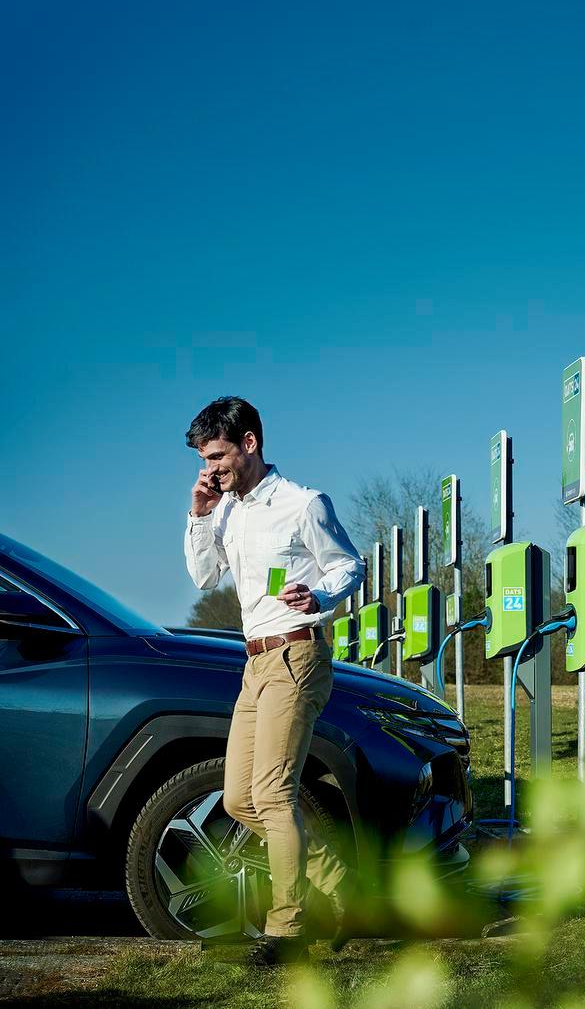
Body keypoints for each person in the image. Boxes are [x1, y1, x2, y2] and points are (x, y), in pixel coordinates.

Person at [183, 396, 363, 966]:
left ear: (250, 444)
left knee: (273, 794)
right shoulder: (227, 509)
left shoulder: (303, 503)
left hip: (296, 653)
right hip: (253, 663)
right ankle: (344, 888)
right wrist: (200, 512)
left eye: (217, 455)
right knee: (239, 798)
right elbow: (203, 573)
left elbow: (348, 565)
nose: (210, 468)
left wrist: (321, 595)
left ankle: (287, 930)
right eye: (204, 459)